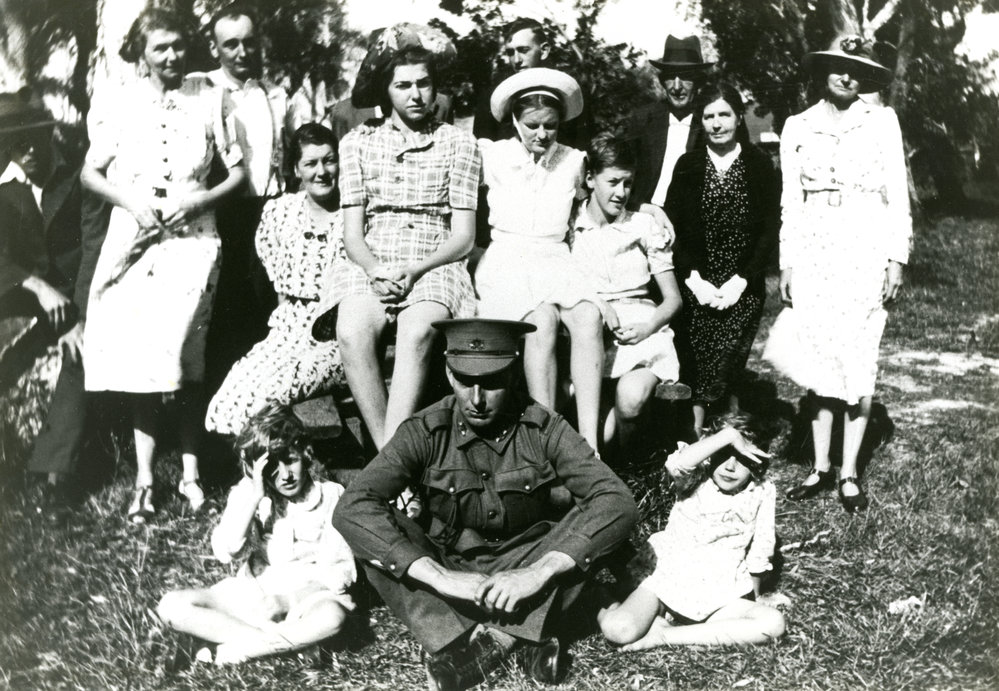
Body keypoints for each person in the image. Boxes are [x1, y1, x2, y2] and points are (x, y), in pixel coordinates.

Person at [332, 318, 638, 690]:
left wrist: (538, 572)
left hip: (528, 564)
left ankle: (480, 648)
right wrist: (441, 577)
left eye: (491, 382)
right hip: (451, 568)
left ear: (512, 375)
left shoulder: (544, 428)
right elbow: (352, 506)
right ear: (447, 372)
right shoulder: (424, 430)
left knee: (593, 532)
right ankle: (522, 637)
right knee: (371, 532)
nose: (476, 399)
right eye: (464, 380)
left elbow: (617, 501)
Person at [80, 7, 246, 523]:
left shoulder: (210, 96)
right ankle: (147, 480)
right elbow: (90, 173)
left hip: (192, 238)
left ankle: (193, 475)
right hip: (134, 235)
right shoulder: (119, 100)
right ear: (141, 53)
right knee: (140, 366)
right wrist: (130, 202)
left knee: (182, 358)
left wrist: (200, 202)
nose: (172, 56)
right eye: (161, 49)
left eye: (178, 46)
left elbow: (236, 174)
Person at [764, 35, 911, 512]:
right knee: (821, 359)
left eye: (857, 70)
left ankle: (849, 472)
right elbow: (790, 200)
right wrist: (788, 260)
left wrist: (896, 257)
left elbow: (897, 195)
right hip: (816, 252)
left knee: (858, 357)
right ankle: (820, 466)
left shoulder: (882, 121)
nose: (847, 76)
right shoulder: (797, 126)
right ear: (821, 71)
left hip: (865, 249)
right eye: (838, 67)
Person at [313, 46, 480, 451]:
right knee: (351, 330)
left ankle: (389, 469)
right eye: (403, 85)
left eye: (423, 83)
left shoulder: (459, 143)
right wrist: (375, 270)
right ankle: (394, 456)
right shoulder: (357, 143)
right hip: (372, 258)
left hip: (436, 258)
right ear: (386, 91)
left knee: (417, 328)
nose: (416, 94)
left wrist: (417, 270)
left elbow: (464, 237)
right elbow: (353, 235)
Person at [157, 401, 356, 665]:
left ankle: (226, 651)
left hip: (307, 599)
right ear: (256, 469)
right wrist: (254, 498)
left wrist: (287, 600)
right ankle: (289, 645)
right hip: (254, 595)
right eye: (272, 467)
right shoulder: (251, 493)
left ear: (306, 454)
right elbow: (226, 551)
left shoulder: (331, 495)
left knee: (332, 618)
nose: (284, 475)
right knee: (171, 606)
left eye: (290, 460)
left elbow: (339, 571)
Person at [475, 68, 608, 452]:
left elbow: (598, 205)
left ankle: (589, 442)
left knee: (587, 316)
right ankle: (544, 438)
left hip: (556, 258)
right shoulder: (493, 155)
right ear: (515, 120)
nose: (541, 134)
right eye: (532, 125)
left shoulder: (573, 161)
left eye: (550, 125)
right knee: (542, 321)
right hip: (508, 259)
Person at [205, 123, 345, 436]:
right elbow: (279, 283)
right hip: (287, 329)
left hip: (337, 334)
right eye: (311, 163)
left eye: (329, 160)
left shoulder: (353, 213)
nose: (322, 171)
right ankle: (260, 477)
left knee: (268, 396)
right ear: (296, 168)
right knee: (228, 398)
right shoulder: (281, 212)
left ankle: (294, 473)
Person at [598, 415, 785, 649]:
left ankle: (665, 635)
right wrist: (727, 436)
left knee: (772, 623)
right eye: (722, 453)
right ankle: (603, 598)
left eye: (741, 458)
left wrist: (754, 597)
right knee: (618, 629)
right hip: (666, 583)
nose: (729, 466)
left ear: (758, 460)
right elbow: (676, 464)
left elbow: (761, 547)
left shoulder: (762, 490)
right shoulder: (696, 477)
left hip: (721, 591)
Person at [190, 2, 296, 391]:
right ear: (215, 48)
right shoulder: (198, 90)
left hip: (265, 214)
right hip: (217, 214)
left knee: (261, 313)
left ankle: (263, 419)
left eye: (249, 43)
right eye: (230, 44)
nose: (241, 52)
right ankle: (216, 424)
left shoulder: (275, 95)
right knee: (219, 318)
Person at [665, 82, 781, 436]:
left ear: (738, 117)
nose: (716, 124)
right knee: (697, 363)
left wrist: (742, 280)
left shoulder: (759, 165)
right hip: (697, 284)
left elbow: (768, 230)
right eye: (708, 116)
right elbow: (674, 230)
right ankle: (693, 439)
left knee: (728, 364)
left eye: (724, 115)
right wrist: (694, 280)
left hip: (741, 287)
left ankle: (732, 437)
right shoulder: (688, 165)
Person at [569, 133, 685, 456]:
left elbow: (673, 299)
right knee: (602, 436)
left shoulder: (642, 225)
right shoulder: (570, 224)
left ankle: (637, 469)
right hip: (593, 335)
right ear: (590, 178)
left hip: (643, 333)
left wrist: (647, 328)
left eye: (629, 183)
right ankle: (608, 471)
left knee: (631, 399)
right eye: (613, 182)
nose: (622, 193)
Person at [0, 92, 85, 510]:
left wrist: (71, 315)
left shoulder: (77, 179)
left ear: (49, 133)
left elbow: (93, 250)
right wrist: (36, 286)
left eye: (35, 139)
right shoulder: (5, 190)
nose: (29, 151)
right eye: (18, 145)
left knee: (80, 351)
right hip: (26, 293)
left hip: (76, 296)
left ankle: (56, 478)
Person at [626, 35, 716, 225]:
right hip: (646, 215)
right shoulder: (643, 119)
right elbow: (622, 172)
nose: (676, 87)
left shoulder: (711, 123)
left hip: (693, 222)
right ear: (662, 81)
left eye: (685, 77)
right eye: (670, 77)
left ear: (699, 82)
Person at [472, 18, 588, 149]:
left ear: (544, 51)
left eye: (523, 50)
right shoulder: (493, 97)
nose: (516, 60)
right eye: (510, 52)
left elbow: (583, 147)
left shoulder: (570, 93)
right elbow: (483, 150)